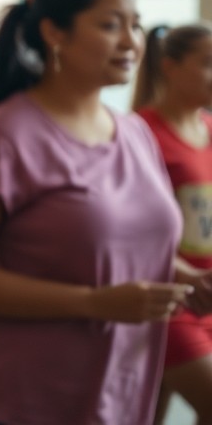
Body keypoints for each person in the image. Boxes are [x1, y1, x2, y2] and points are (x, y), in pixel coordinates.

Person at [0, 0, 189, 425]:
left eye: (135, 25)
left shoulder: (134, 133)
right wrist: (92, 303)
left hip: (117, 381)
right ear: (54, 31)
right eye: (111, 25)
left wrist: (186, 276)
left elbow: (120, 243)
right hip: (21, 389)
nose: (132, 42)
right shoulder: (5, 135)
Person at [132, 23, 212, 424]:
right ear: (171, 67)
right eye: (208, 63)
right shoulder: (141, 131)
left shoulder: (210, 129)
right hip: (171, 298)